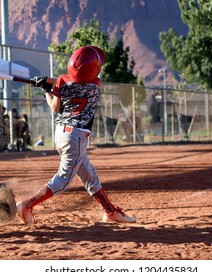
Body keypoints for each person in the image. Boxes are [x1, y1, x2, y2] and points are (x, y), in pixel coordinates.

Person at [16, 46, 136, 225]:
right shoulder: (96, 85)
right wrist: (48, 83)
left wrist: (47, 89)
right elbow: (73, 82)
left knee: (90, 176)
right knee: (63, 181)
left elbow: (55, 107)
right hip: (76, 138)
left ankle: (110, 211)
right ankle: (26, 205)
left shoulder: (63, 82)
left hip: (61, 135)